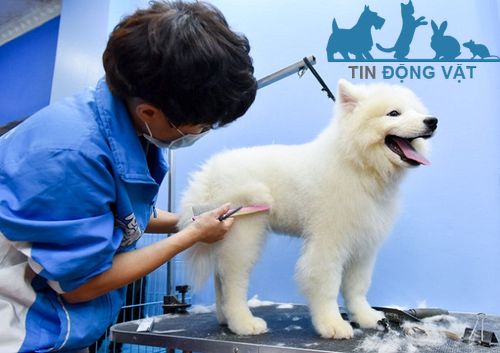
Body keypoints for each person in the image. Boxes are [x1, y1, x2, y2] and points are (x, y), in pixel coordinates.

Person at [0, 1, 257, 352]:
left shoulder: (129, 131)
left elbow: (123, 215)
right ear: (150, 112)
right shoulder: (69, 157)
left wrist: (189, 220)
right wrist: (191, 235)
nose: (202, 131)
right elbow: (80, 285)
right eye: (202, 124)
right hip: (16, 329)